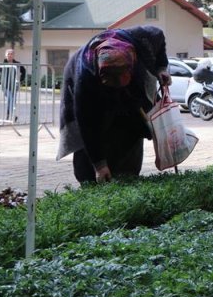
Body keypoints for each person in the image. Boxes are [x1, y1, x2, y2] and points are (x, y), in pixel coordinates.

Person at [57, 26, 172, 184]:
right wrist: (99, 165)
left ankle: (128, 174)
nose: (118, 87)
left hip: (131, 91)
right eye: (112, 84)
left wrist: (161, 68)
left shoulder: (145, 38)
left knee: (132, 126)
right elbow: (87, 124)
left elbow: (160, 37)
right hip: (88, 97)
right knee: (90, 149)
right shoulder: (85, 78)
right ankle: (90, 177)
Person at [1, 49, 26, 121]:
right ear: (6, 55)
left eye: (11, 54)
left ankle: (8, 115)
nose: (10, 55)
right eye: (8, 54)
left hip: (14, 85)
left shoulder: (17, 63)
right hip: (5, 85)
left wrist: (20, 79)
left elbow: (23, 71)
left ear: (13, 55)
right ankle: (13, 115)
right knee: (11, 98)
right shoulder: (3, 64)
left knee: (11, 100)